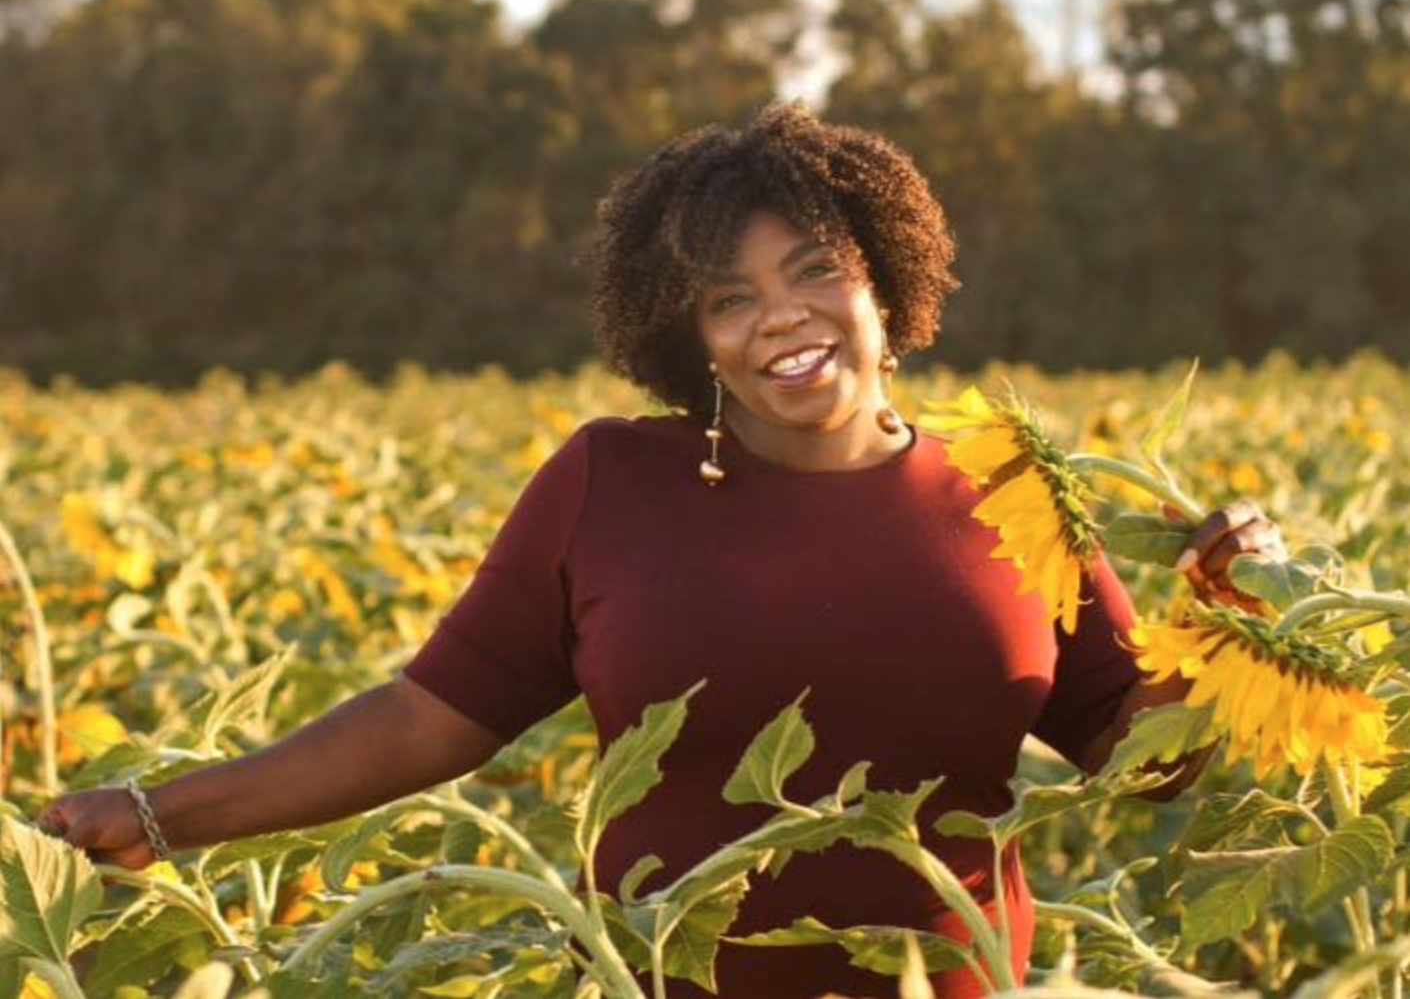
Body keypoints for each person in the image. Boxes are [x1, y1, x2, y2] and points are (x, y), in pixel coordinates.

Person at [37, 103, 1287, 999]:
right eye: (727, 300)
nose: (779, 319)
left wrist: (1234, 630)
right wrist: (158, 812)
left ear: (887, 293)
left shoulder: (1011, 486)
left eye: (814, 274)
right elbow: (429, 720)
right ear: (686, 336)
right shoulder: (609, 485)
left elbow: (1143, 757)